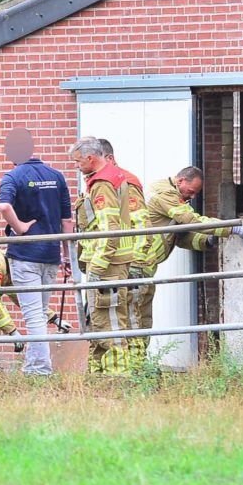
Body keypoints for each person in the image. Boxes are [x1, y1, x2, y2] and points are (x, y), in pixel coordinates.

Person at [134, 166, 239, 361]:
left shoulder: (168, 192)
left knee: (142, 315)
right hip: (140, 262)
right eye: (191, 191)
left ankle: (138, 360)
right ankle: (134, 362)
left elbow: (177, 235)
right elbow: (190, 220)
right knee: (139, 316)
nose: (192, 196)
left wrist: (204, 241)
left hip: (146, 263)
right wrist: (230, 228)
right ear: (180, 180)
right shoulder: (165, 194)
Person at [0, 128, 73, 376]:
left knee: (33, 315)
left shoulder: (12, 177)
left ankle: (39, 369)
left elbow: (4, 206)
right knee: (39, 312)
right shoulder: (56, 176)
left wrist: (18, 228)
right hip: (51, 255)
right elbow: (67, 222)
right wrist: (67, 256)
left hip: (25, 254)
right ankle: (35, 365)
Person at [69, 137, 140, 374]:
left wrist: (97, 269)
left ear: (91, 158)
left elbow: (110, 230)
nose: (76, 166)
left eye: (78, 162)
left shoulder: (102, 184)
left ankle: (116, 376)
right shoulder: (113, 177)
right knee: (103, 318)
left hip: (107, 265)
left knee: (107, 320)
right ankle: (99, 373)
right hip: (112, 262)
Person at [95, 138, 152, 368]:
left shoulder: (123, 182)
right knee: (110, 319)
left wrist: (137, 262)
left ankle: (135, 368)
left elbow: (141, 223)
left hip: (129, 264)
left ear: (108, 158)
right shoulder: (104, 183)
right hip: (115, 263)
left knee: (130, 318)